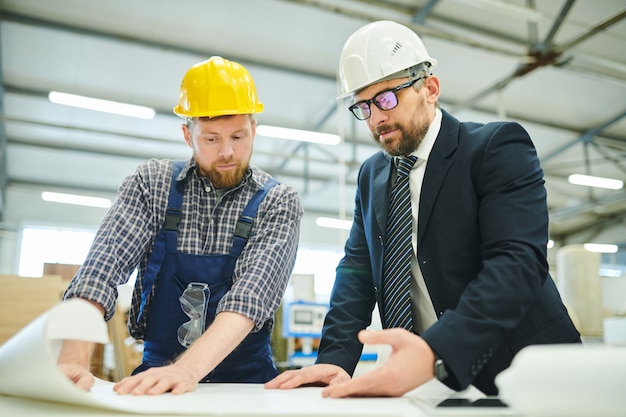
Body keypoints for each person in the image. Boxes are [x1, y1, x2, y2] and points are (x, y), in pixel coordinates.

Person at [265, 20, 581, 398]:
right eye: (363, 106)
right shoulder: (372, 175)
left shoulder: (494, 148)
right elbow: (356, 272)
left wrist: (437, 350)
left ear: (429, 88)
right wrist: (335, 357)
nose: (376, 118)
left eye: (386, 98)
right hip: (434, 382)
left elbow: (517, 263)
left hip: (526, 371)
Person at [58, 56, 303, 395]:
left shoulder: (278, 202)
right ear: (188, 134)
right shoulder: (152, 184)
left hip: (246, 385)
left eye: (238, 136)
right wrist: (73, 358)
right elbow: (100, 270)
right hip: (158, 374)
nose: (228, 151)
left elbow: (250, 299)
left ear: (254, 129)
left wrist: (187, 371)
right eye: (212, 139)